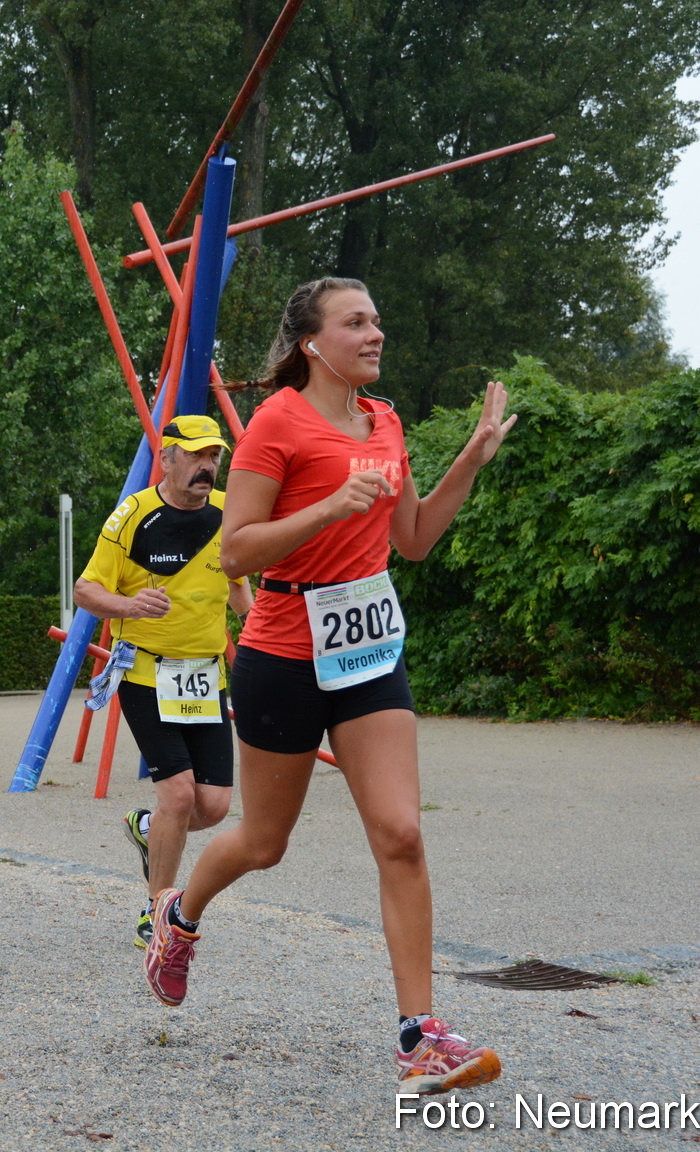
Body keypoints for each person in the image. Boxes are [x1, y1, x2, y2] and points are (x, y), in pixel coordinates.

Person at [141, 277, 515, 1096]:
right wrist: (330, 506)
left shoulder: (385, 421)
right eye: (356, 321)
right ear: (313, 343)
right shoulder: (278, 423)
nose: (375, 332)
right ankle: (179, 915)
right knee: (264, 842)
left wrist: (469, 462)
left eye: (377, 318)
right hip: (285, 649)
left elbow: (412, 539)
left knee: (402, 832)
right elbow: (236, 552)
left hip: (371, 649)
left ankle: (421, 1034)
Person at [74, 414, 252, 949]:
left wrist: (269, 634)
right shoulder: (134, 515)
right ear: (167, 458)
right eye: (195, 455)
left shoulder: (228, 514)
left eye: (214, 457)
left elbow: (242, 592)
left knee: (214, 804)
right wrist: (128, 604)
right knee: (177, 795)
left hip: (205, 677)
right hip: (147, 673)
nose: (206, 467)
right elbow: (86, 590)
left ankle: (150, 831)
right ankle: (157, 916)